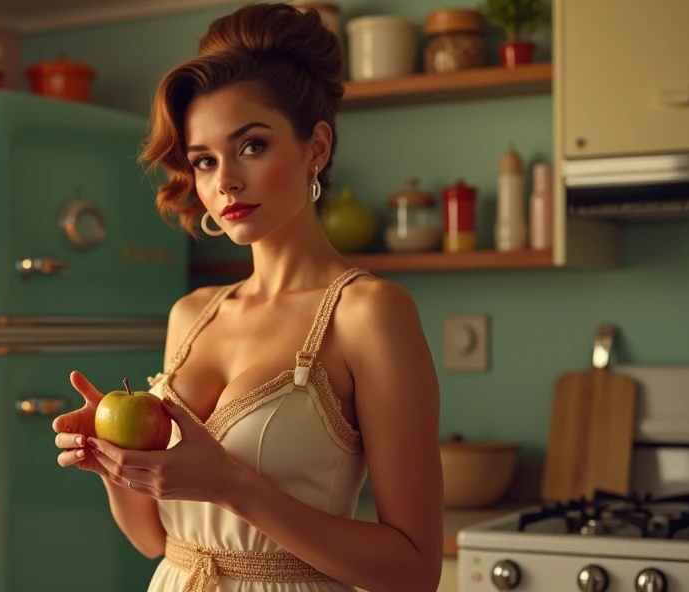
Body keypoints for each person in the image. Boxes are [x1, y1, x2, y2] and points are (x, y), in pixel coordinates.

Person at [52, 3, 443, 590]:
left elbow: (415, 571)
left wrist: (232, 486)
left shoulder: (368, 312)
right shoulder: (192, 313)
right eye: (203, 161)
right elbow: (155, 540)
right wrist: (110, 460)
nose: (225, 180)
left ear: (316, 147)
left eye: (252, 146)